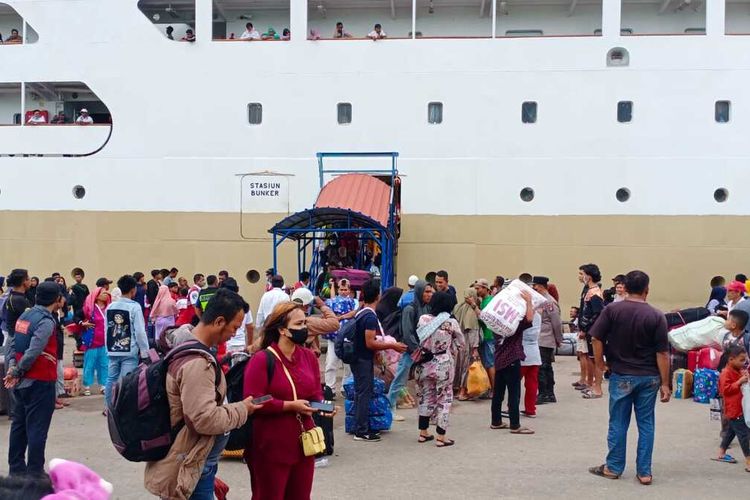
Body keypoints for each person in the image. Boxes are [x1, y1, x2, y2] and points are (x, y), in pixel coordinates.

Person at [144, 289, 261, 500]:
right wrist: (243, 409)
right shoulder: (197, 363)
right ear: (218, 322)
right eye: (234, 328)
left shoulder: (188, 345)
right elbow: (204, 419)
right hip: (191, 464)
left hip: (195, 461)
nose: (234, 334)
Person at [588, 270, 670, 485]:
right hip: (649, 376)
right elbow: (662, 353)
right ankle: (644, 472)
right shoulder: (656, 315)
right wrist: (665, 383)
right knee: (646, 424)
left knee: (618, 422)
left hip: (622, 374)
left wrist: (600, 363)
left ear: (625, 286)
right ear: (647, 290)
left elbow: (596, 337)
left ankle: (613, 467)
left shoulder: (612, 310)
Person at [243, 301, 326, 498]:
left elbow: (315, 393)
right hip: (270, 446)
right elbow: (253, 400)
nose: (304, 328)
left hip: (304, 444)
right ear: (282, 330)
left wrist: (322, 406)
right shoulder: (262, 359)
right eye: (298, 324)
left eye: (305, 322)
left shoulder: (309, 357)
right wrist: (289, 405)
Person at [4, 282, 64, 475]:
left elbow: (14, 345)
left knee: (19, 425)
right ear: (56, 300)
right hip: (40, 381)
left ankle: (16, 470)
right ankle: (35, 473)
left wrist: (14, 367)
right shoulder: (46, 321)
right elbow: (34, 350)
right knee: (37, 429)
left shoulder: (25, 316)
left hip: (22, 382)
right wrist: (17, 371)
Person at [350, 280, 407, 441]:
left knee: (360, 392)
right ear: (377, 295)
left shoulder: (362, 312)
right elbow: (369, 342)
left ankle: (358, 425)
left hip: (358, 357)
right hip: (362, 359)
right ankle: (361, 431)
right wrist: (392, 345)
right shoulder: (369, 317)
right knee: (364, 393)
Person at [415, 292, 464, 446]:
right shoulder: (451, 323)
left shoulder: (423, 319)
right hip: (443, 363)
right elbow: (461, 343)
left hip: (425, 363)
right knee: (444, 398)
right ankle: (441, 437)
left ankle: (423, 433)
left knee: (426, 396)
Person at [490, 290, 535, 434]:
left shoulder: (495, 322)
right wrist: (528, 301)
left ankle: (496, 421)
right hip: (512, 359)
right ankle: (515, 425)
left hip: (499, 359)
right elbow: (529, 319)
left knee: (498, 393)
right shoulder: (513, 324)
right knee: (514, 393)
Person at [387, 280, 433, 414]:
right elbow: (407, 333)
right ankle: (390, 407)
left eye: (431, 291)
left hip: (424, 350)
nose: (430, 295)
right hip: (411, 350)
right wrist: (418, 349)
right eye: (427, 291)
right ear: (419, 292)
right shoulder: (409, 309)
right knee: (400, 378)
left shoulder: (427, 308)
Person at [104, 275, 150, 407]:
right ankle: (123, 408)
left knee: (111, 379)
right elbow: (140, 332)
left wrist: (107, 347)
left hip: (112, 349)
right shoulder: (135, 307)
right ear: (133, 290)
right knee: (127, 381)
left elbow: (107, 328)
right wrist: (145, 352)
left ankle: (108, 407)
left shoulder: (110, 307)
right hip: (129, 350)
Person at [714, 345, 750, 471]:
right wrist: (739, 382)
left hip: (740, 407)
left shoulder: (738, 370)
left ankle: (721, 452)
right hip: (734, 408)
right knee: (744, 435)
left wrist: (745, 378)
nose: (744, 362)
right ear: (731, 359)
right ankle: (749, 460)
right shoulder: (726, 373)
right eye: (741, 360)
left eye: (744, 359)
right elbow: (725, 390)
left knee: (731, 431)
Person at [531, 276, 563, 404]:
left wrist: (559, 338)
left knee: (543, 368)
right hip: (540, 337)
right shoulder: (540, 300)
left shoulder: (549, 301)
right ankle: (549, 393)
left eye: (535, 286)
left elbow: (556, 322)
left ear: (541, 286)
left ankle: (545, 393)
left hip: (546, 338)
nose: (534, 288)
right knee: (546, 367)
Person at [323, 279, 357, 392]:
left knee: (348, 365)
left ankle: (345, 388)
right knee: (331, 363)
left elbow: (354, 313)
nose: (343, 291)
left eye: (345, 289)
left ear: (349, 290)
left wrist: (341, 317)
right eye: (341, 289)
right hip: (334, 336)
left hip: (348, 337)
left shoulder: (353, 302)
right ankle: (330, 388)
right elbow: (330, 303)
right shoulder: (332, 301)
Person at [578, 263, 605, 398]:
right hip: (588, 330)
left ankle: (597, 386)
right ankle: (592, 384)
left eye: (582, 274)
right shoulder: (588, 290)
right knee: (590, 357)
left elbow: (597, 313)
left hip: (592, 331)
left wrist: (586, 327)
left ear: (588, 276)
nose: (580, 277)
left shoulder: (595, 293)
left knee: (595, 359)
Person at [80, 287, 110, 398]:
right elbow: (77, 317)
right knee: (89, 364)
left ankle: (104, 385)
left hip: (105, 341)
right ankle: (87, 386)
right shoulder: (89, 308)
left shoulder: (109, 307)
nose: (106, 294)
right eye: (103, 293)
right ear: (96, 296)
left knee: (104, 364)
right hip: (92, 341)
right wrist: (82, 323)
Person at [468, 278, 495, 398]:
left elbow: (484, 317)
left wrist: (473, 305)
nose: (476, 291)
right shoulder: (484, 300)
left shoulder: (489, 301)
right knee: (486, 363)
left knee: (490, 363)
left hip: (489, 335)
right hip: (485, 336)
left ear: (485, 288)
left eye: (478, 288)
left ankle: (494, 390)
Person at [453, 288, 480, 401]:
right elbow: (474, 330)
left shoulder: (458, 308)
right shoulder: (472, 312)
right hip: (468, 344)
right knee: (467, 368)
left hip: (458, 345)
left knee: (458, 366)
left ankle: (457, 389)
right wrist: (475, 348)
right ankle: (463, 391)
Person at [2, 269, 32, 348]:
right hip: (17, 340)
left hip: (13, 335)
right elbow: (30, 321)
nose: (30, 282)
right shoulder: (19, 300)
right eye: (28, 279)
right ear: (23, 282)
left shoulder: (12, 296)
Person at [520, 312, 541, 418]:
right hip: (535, 353)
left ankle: (512, 407)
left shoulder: (521, 315)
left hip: (522, 351)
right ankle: (531, 409)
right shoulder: (537, 315)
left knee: (514, 383)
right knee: (532, 384)